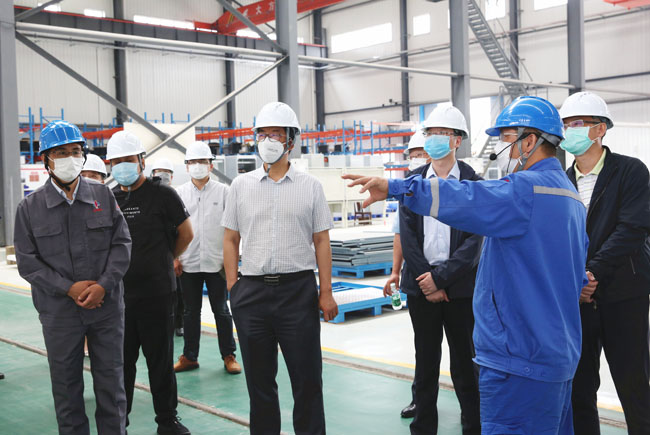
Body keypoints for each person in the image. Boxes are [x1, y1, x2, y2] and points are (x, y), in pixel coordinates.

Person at [344, 96, 588, 434]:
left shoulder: (524, 190)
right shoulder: (570, 196)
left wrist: (397, 187)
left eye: (507, 138)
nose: (503, 148)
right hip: (558, 353)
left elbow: (465, 199)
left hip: (519, 358)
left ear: (529, 141)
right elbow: (576, 276)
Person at [222, 102, 338, 435]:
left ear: (290, 140)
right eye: (262, 134)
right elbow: (230, 239)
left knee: (307, 380)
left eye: (275, 134)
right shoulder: (240, 186)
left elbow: (321, 241)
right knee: (259, 384)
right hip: (251, 293)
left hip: (297, 292)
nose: (267, 141)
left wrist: (326, 292)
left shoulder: (310, 186)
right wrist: (233, 286)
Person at [14, 120, 131, 435]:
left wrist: (103, 285)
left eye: (76, 151)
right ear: (46, 159)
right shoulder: (29, 208)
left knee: (111, 384)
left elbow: (122, 244)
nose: (70, 158)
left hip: (106, 308)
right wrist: (68, 288)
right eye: (61, 152)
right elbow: (27, 262)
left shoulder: (103, 196)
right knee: (66, 388)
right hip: (60, 314)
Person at [559, 91, 650, 434]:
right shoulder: (561, 180)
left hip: (624, 294)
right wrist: (577, 280)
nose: (571, 130)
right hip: (577, 300)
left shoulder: (630, 171)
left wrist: (592, 272)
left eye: (579, 123)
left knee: (634, 383)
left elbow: (632, 229)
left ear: (600, 129)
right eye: (567, 124)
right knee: (580, 387)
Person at [396, 106, 483, 435]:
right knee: (425, 363)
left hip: (460, 290)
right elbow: (408, 236)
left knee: (465, 365)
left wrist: (441, 278)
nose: (433, 140)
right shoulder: (413, 182)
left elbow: (475, 240)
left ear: (457, 140)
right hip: (421, 288)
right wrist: (428, 280)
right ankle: (423, 428)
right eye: (430, 133)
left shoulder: (474, 183)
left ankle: (473, 426)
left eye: (441, 134)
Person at [107, 131, 193, 435]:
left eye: (128, 159)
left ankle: (167, 421)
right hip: (120, 296)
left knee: (160, 360)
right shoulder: (110, 199)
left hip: (157, 293)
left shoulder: (163, 195)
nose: (122, 166)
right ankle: (120, 421)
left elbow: (186, 233)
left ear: (141, 161)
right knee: (122, 363)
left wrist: (166, 258)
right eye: (116, 161)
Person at [173, 141, 241, 375]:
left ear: (211, 165)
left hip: (217, 263)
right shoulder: (179, 194)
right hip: (188, 263)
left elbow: (233, 229)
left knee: (221, 310)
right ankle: (189, 357)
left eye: (202, 161)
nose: (197, 166)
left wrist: (232, 262)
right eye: (193, 162)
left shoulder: (224, 192)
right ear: (187, 166)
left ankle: (229, 355)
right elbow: (172, 228)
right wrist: (174, 257)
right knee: (190, 312)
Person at [384, 129, 430, 420]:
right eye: (412, 155)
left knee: (465, 349)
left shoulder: (458, 186)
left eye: (420, 154)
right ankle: (420, 402)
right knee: (423, 348)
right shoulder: (407, 193)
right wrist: (394, 272)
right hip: (418, 282)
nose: (416, 159)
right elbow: (400, 235)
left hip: (455, 282)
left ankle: (471, 403)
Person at [151, 158, 185, 337]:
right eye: (159, 172)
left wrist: (175, 257)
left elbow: (184, 231)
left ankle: (179, 323)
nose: (162, 175)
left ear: (172, 177)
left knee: (177, 292)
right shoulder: (148, 197)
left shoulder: (175, 196)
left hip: (172, 252)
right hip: (154, 255)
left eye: (166, 172)